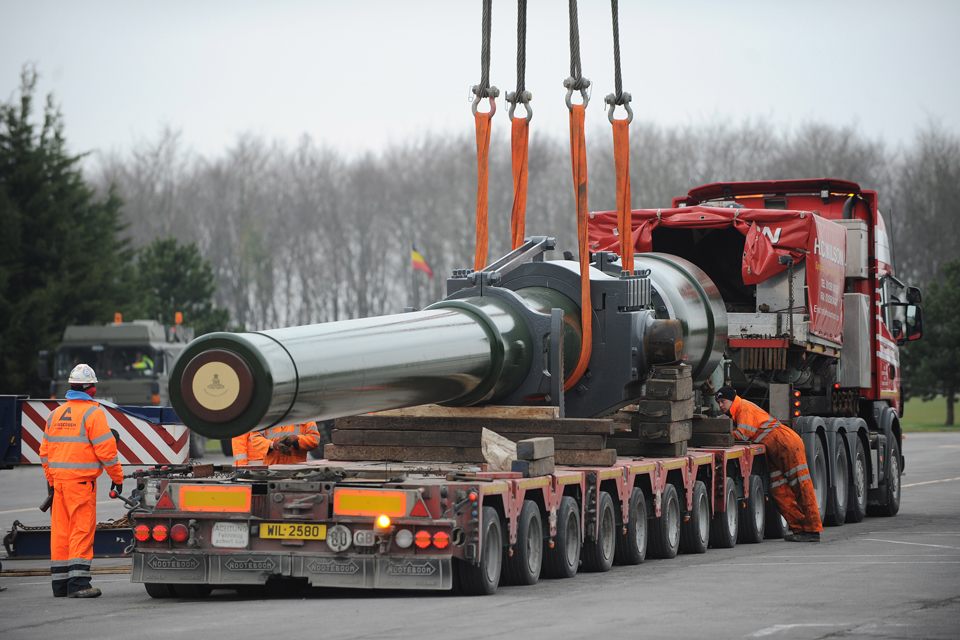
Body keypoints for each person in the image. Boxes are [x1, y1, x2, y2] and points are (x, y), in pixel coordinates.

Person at [39, 364, 124, 598]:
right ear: (92, 390)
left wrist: (53, 480)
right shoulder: (93, 413)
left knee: (61, 533)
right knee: (81, 530)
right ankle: (79, 585)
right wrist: (117, 478)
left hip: (60, 485)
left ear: (71, 387)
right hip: (81, 485)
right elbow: (107, 452)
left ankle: (60, 585)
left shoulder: (54, 414)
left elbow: (44, 452)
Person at [715, 386, 823, 542]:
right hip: (776, 449)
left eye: (723, 401)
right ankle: (800, 529)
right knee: (778, 491)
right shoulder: (738, 412)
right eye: (718, 402)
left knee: (801, 485)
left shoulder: (744, 408)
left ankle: (813, 530)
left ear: (732, 399)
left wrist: (721, 434)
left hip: (785, 444)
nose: (720, 405)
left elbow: (743, 435)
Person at [249, 422, 321, 465]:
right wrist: (273, 444)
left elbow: (314, 440)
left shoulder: (305, 417)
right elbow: (255, 439)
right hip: (272, 471)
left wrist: (297, 440)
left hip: (297, 470)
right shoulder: (265, 418)